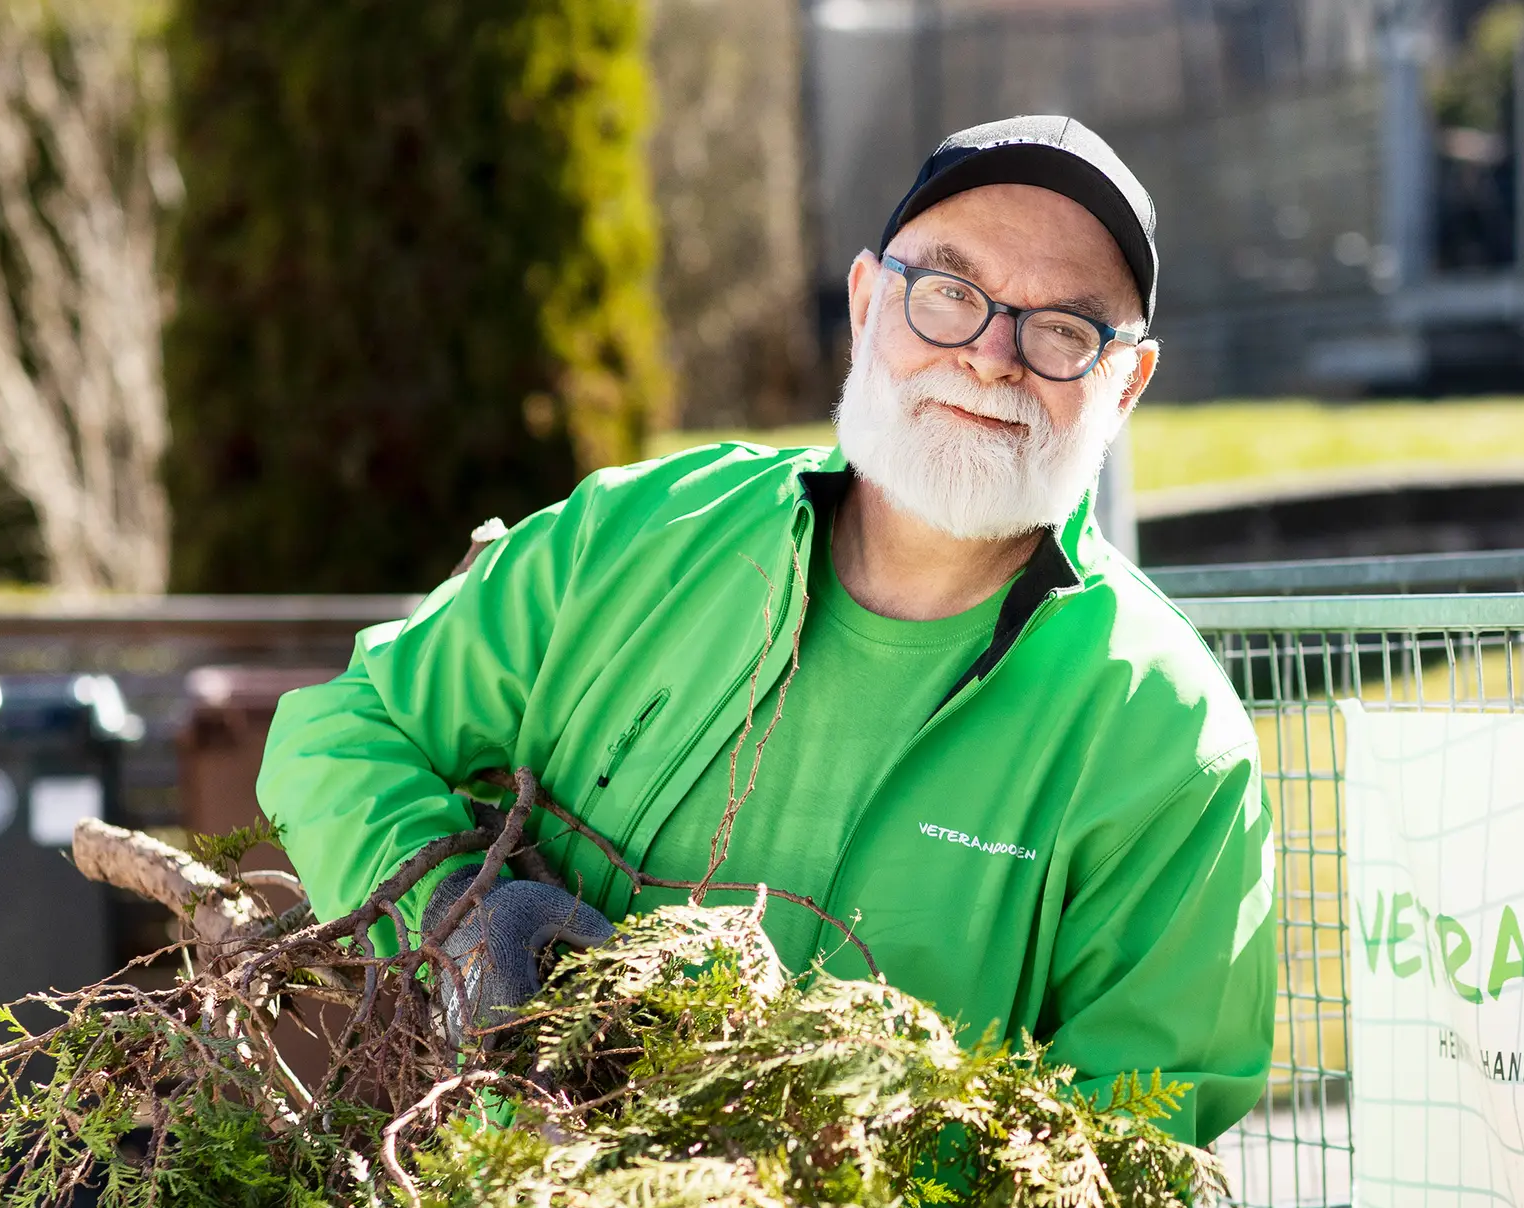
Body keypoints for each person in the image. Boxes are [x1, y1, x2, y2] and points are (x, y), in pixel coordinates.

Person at [259, 116, 1276, 1153]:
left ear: (1125, 383)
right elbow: (346, 726)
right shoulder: (636, 536)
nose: (988, 357)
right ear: (867, 302)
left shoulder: (1163, 739)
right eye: (948, 294)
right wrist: (451, 922)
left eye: (1061, 330)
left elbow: (1128, 1150)